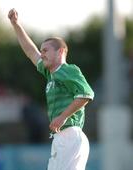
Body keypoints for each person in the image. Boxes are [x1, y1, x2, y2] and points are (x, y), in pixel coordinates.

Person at [8, 8, 94, 170]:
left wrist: (62, 117)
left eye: (46, 50)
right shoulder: (51, 74)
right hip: (60, 138)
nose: (41, 54)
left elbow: (86, 94)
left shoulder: (67, 70)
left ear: (60, 51)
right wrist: (16, 25)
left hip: (70, 136)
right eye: (42, 51)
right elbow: (30, 52)